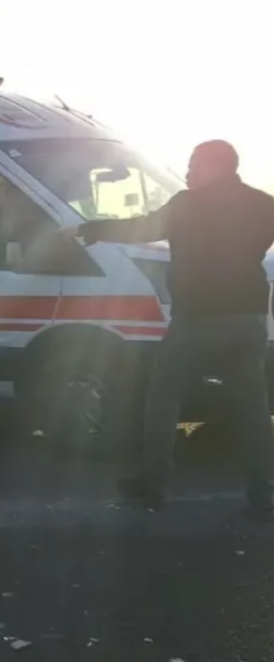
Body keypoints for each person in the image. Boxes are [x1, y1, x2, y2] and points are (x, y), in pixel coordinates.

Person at [60, 140, 274, 514]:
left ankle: (152, 485)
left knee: (163, 397)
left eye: (193, 164)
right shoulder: (263, 204)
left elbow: (141, 228)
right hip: (249, 319)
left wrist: (88, 228)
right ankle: (263, 494)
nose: (188, 172)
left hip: (197, 318)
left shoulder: (187, 204)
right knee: (253, 407)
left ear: (214, 166)